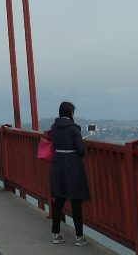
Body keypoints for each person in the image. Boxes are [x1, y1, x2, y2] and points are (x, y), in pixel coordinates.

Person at [49, 101, 90, 246]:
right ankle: (79, 236)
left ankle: (56, 234)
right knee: (76, 201)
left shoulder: (54, 127)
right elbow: (81, 149)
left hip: (58, 164)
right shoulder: (74, 129)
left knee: (59, 200)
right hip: (72, 165)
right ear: (71, 113)